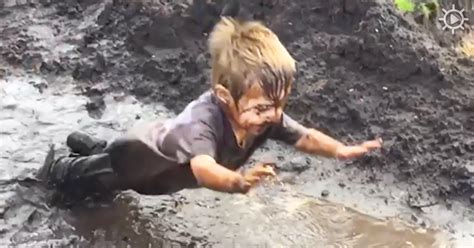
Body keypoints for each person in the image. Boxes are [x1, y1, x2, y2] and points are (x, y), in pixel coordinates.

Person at [37, 17, 382, 199]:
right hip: (135, 160)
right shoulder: (204, 124)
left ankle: (92, 145)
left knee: (110, 163)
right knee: (83, 181)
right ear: (223, 96)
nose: (274, 115)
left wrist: (339, 150)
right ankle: (55, 165)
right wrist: (238, 182)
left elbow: (303, 136)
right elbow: (203, 169)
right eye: (263, 107)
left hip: (159, 166)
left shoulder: (265, 116)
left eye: (280, 104)